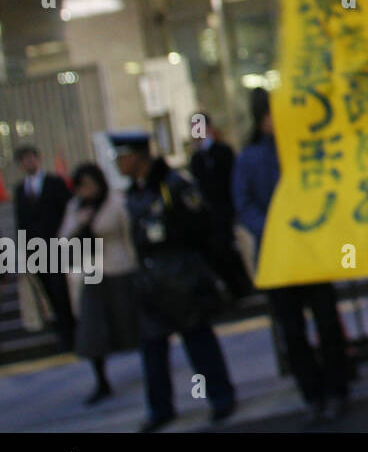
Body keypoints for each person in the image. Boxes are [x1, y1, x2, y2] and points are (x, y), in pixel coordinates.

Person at [233, 88, 350, 425]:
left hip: (312, 256)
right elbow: (244, 206)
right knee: (293, 332)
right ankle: (312, 395)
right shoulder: (250, 158)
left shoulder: (302, 151)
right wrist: (275, 231)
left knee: (327, 325)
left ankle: (337, 389)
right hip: (277, 259)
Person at [112, 130, 236, 432]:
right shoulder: (134, 193)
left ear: (137, 157)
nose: (118, 163)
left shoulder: (173, 185)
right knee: (152, 350)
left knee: (198, 342)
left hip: (182, 276)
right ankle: (160, 408)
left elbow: (201, 226)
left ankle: (220, 397)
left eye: (122, 157)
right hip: (151, 282)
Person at [57, 162, 140, 404]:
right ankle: (102, 380)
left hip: (119, 269)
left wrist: (137, 268)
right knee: (92, 329)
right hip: (90, 274)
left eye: (90, 185)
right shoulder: (75, 208)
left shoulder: (115, 203)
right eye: (81, 187)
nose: (86, 191)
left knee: (130, 323)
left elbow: (129, 235)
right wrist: (79, 222)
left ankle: (154, 366)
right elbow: (62, 238)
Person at [11, 144, 76, 350]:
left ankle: (71, 332)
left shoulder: (54, 183)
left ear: (37, 159)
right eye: (24, 160)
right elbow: (21, 221)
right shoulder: (21, 190)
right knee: (48, 292)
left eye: (31, 158)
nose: (28, 162)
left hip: (57, 245)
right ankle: (62, 332)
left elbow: (68, 210)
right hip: (35, 250)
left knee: (61, 290)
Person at [188, 112, 253, 301]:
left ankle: (243, 286)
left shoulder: (222, 151)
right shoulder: (197, 158)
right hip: (211, 213)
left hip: (226, 208)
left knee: (233, 246)